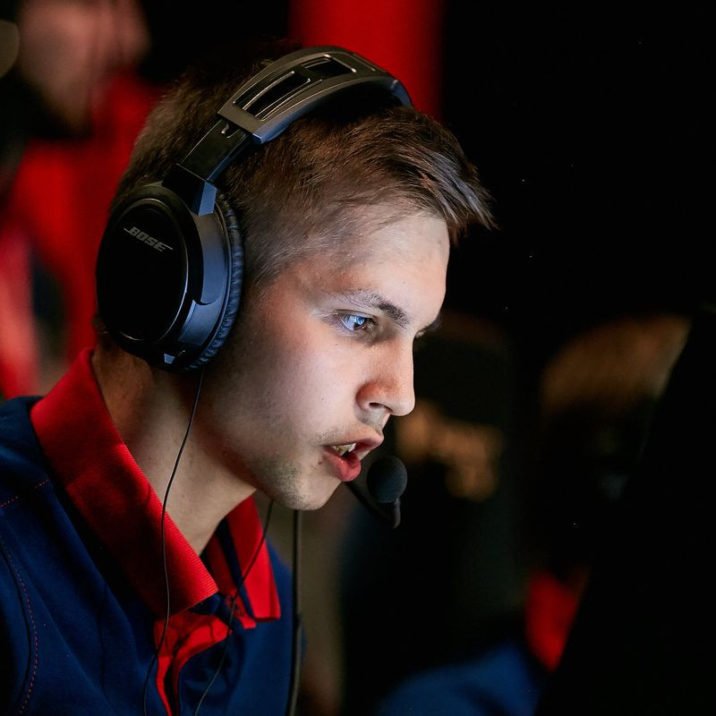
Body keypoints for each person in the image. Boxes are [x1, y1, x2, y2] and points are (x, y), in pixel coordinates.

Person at [0, 39, 494, 714]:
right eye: (360, 322)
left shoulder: (269, 620)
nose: (400, 397)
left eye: (415, 339)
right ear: (187, 286)